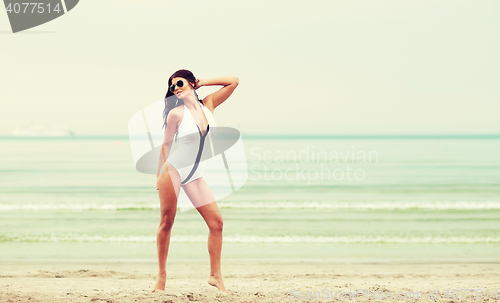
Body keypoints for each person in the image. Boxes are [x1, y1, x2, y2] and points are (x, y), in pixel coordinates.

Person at [153, 69, 239, 293]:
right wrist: (158, 173)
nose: (176, 88)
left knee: (216, 224)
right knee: (167, 222)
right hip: (173, 170)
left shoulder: (208, 104)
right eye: (172, 86)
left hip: (196, 174)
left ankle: (215, 276)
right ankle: (161, 278)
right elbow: (166, 144)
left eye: (179, 83)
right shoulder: (176, 114)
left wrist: (203, 82)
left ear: (191, 83)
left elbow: (233, 81)